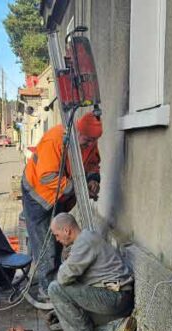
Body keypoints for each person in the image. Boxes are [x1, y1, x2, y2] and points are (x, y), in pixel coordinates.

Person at [22, 112, 103, 309]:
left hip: (60, 197)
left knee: (58, 243)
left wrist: (92, 180)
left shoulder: (89, 141)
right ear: (76, 131)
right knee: (46, 245)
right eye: (85, 140)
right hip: (38, 196)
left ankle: (55, 283)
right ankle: (48, 291)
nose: (88, 144)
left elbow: (93, 164)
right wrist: (78, 187)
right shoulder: (55, 139)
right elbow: (47, 177)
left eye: (92, 141)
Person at [46, 213, 136, 331]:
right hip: (117, 297)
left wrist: (65, 263)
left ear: (66, 231)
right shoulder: (87, 237)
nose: (56, 239)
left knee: (55, 288)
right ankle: (113, 330)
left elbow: (63, 278)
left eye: (56, 235)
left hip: (114, 298)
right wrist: (61, 312)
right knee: (75, 314)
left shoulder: (84, 242)